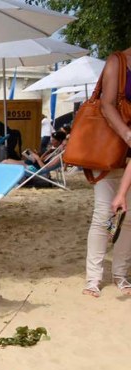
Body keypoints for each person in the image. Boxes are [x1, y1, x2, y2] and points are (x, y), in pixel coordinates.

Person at [88, 46, 131, 297]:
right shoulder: (118, 61)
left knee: (130, 217)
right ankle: (93, 277)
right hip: (109, 145)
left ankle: (120, 274)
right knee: (104, 213)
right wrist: (127, 134)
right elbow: (106, 104)